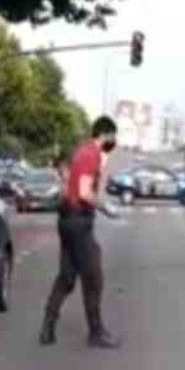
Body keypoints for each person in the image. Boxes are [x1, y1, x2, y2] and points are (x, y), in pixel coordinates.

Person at [40, 116, 121, 349]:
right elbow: (85, 192)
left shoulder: (80, 152)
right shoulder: (91, 155)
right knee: (93, 277)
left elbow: (68, 188)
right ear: (105, 134)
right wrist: (105, 207)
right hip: (78, 221)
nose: (113, 143)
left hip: (67, 219)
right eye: (113, 137)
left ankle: (47, 328)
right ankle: (96, 333)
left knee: (66, 277)